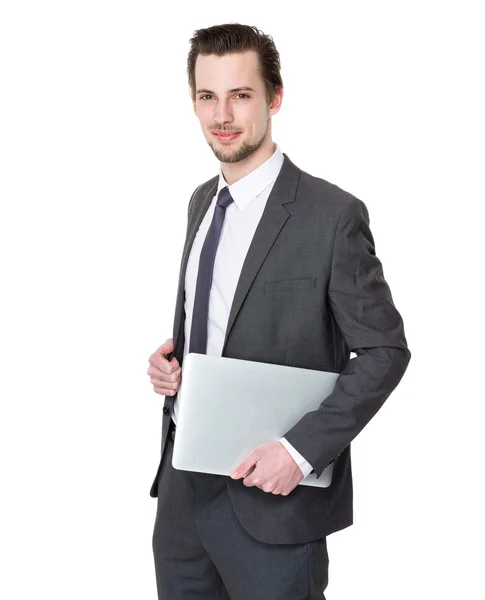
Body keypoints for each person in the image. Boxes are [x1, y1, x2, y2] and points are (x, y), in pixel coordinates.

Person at [147, 22, 411, 600]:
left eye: (240, 95)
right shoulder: (201, 201)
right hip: (183, 501)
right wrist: (173, 368)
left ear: (275, 97)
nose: (222, 114)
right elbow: (218, 323)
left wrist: (299, 452)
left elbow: (386, 351)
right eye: (207, 96)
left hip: (273, 506)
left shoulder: (331, 215)